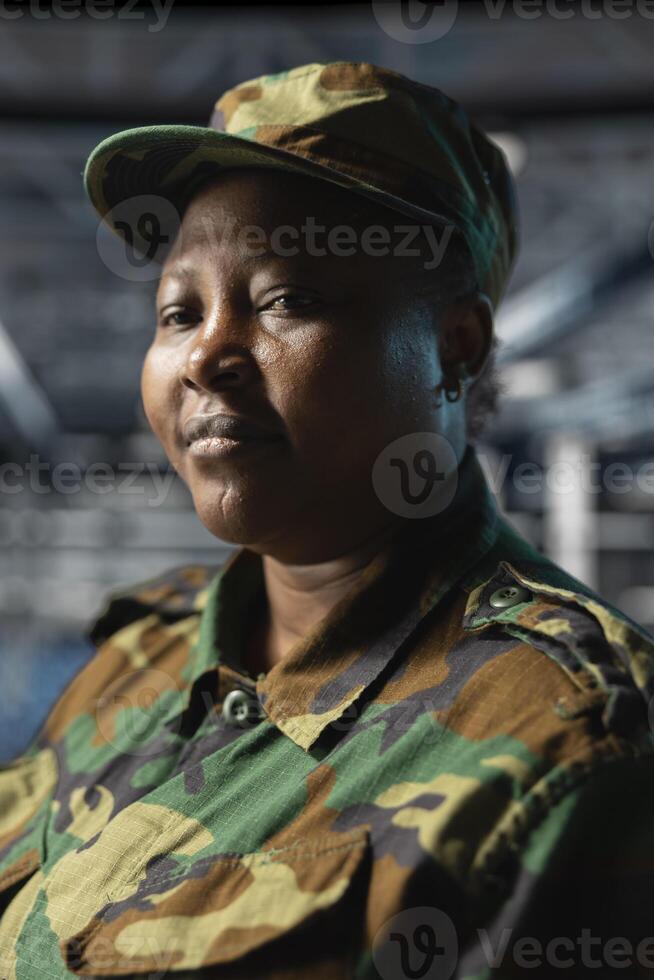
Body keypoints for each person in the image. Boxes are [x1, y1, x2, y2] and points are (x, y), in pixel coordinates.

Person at [2, 60, 654, 980]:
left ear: (455, 347)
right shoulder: (137, 656)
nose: (206, 356)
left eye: (288, 299)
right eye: (179, 312)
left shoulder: (572, 742)